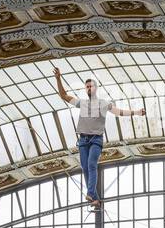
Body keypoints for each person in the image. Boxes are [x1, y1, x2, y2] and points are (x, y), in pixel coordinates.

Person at [54, 67, 145, 209]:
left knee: (91, 164)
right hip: (83, 140)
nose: (89, 88)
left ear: (96, 88)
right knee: (85, 167)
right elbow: (63, 95)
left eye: (91, 86)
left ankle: (90, 193)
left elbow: (119, 112)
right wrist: (58, 78)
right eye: (87, 87)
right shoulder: (82, 103)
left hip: (96, 140)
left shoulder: (103, 103)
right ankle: (94, 199)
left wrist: (136, 112)